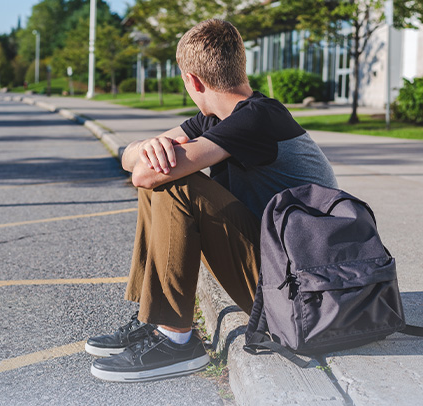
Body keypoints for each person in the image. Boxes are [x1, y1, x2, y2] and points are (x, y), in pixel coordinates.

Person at [86, 18, 337, 383]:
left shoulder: (255, 120)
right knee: (163, 173)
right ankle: (153, 319)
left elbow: (145, 174)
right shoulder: (219, 118)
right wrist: (145, 146)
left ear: (193, 81)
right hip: (286, 278)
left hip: (302, 294)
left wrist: (149, 157)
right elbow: (132, 159)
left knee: (175, 184)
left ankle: (176, 341)